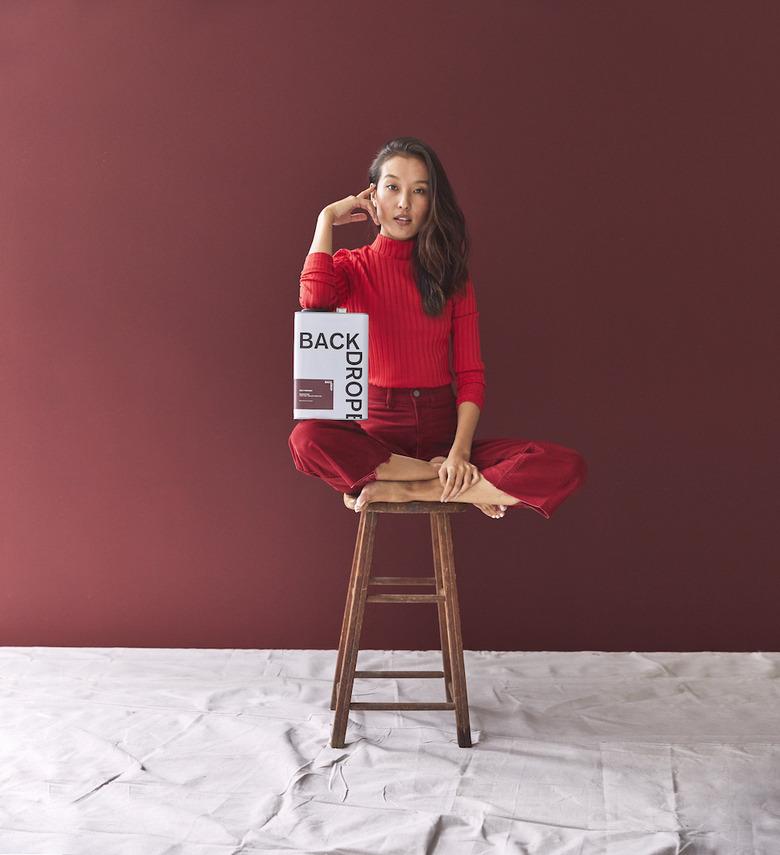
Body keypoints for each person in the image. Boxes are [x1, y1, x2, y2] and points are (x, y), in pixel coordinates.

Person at [288, 136, 587, 520]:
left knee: (567, 464)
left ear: (431, 202)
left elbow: (470, 375)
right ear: (371, 196)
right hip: (378, 440)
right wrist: (325, 218)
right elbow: (314, 300)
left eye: (419, 191)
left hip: (443, 435)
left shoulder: (451, 277)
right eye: (393, 187)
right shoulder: (350, 267)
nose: (403, 203)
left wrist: (459, 456)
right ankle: (441, 481)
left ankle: (412, 487)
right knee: (305, 439)